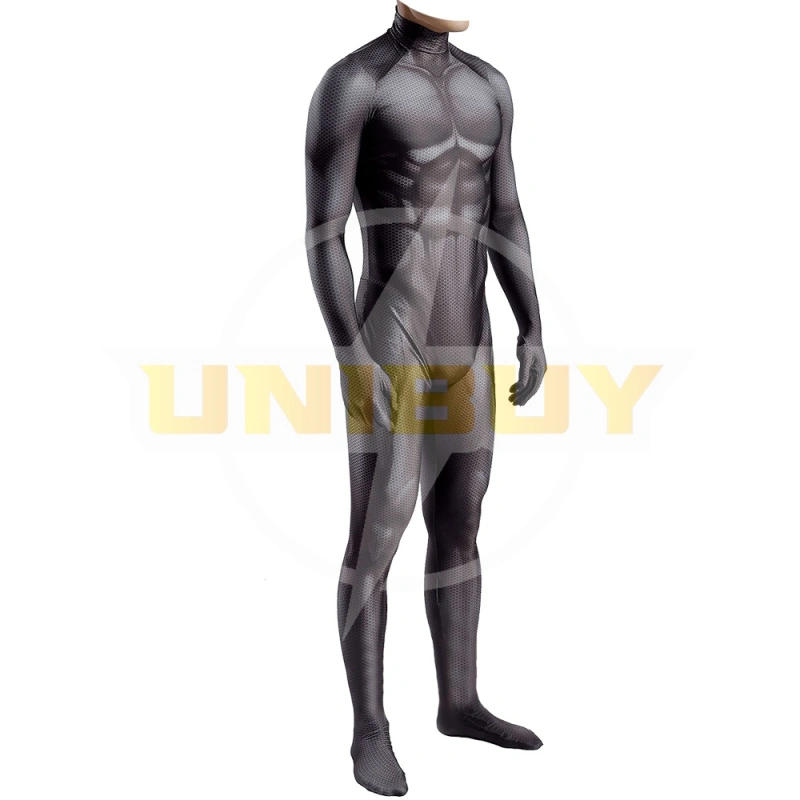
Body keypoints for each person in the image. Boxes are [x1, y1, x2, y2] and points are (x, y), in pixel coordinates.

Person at [305, 4, 546, 795]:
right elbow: (323, 233)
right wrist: (350, 352)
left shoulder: (490, 85)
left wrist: (532, 324)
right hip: (392, 336)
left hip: (469, 339)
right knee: (379, 531)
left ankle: (460, 703)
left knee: (462, 521)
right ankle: (369, 731)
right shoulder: (356, 83)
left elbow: (505, 211)